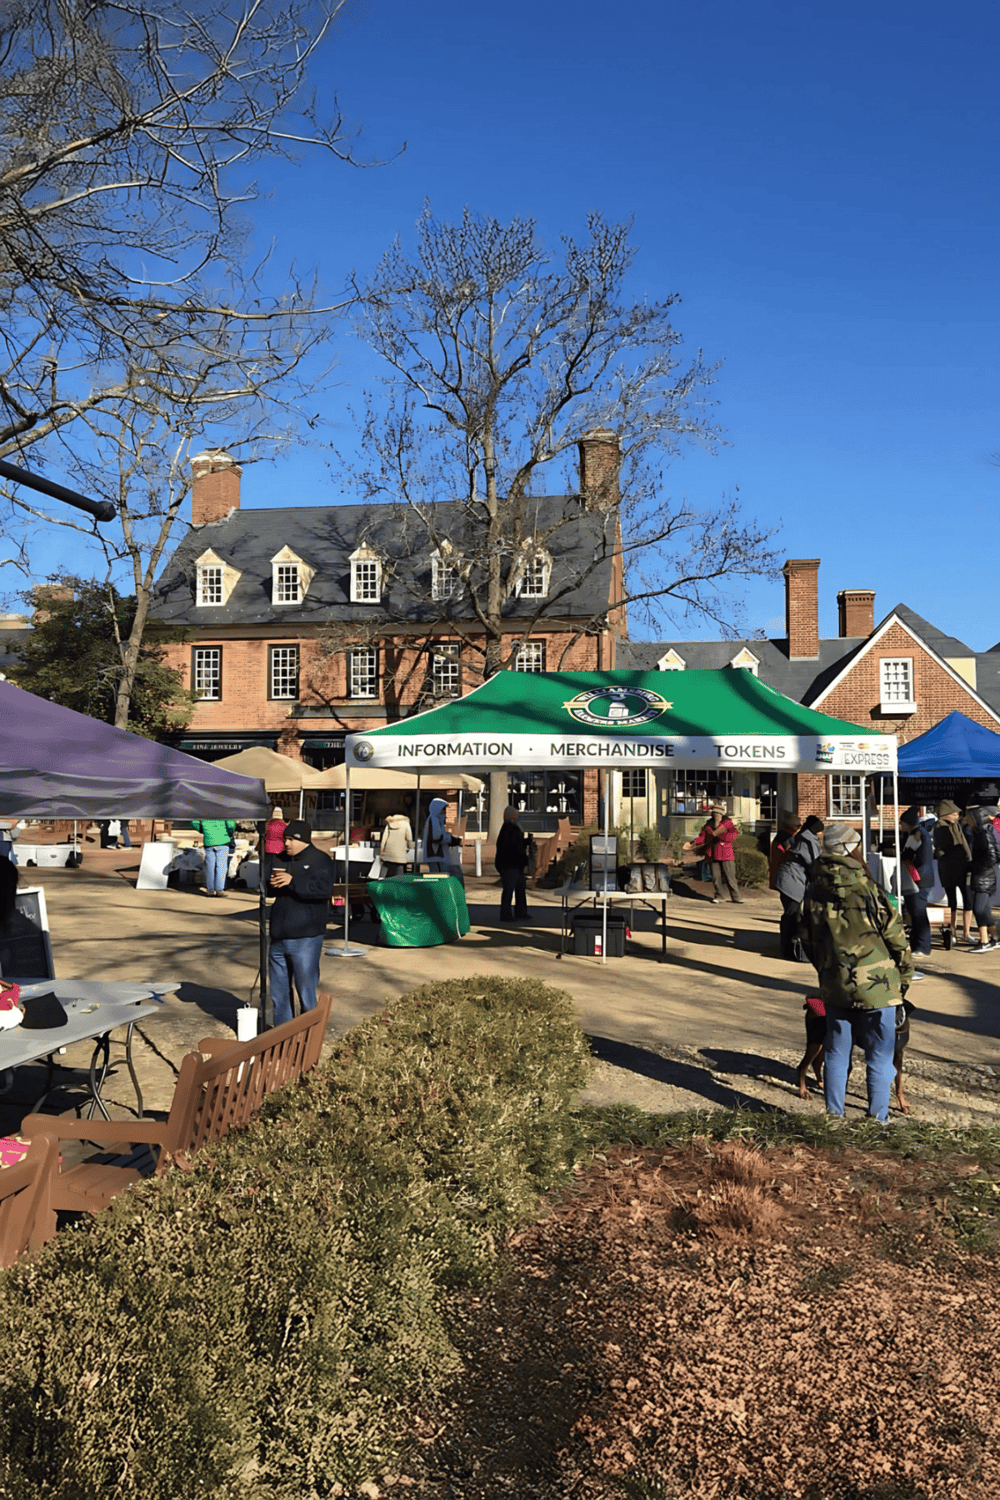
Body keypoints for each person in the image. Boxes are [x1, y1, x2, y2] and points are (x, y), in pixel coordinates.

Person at [800, 820, 913, 1122]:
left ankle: (833, 1118)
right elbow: (896, 937)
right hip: (878, 987)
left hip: (835, 984)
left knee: (836, 1051)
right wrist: (904, 977)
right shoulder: (870, 889)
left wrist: (827, 970)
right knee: (880, 1054)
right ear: (851, 848)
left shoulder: (812, 892)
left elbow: (808, 942)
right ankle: (878, 1120)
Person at [267, 819, 336, 1027]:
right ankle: (282, 1036)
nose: (286, 844)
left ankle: (309, 1036)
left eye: (290, 839)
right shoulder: (280, 859)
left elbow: (324, 890)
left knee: (306, 992)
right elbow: (271, 891)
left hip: (305, 937)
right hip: (279, 935)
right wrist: (269, 882)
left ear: (302, 840)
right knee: (279, 994)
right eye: (284, 839)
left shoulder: (320, 860)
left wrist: (293, 881)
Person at [775, 815, 824, 960]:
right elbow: (814, 863)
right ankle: (788, 949)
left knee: (791, 913)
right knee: (791, 914)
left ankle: (787, 947)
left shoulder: (804, 837)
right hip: (791, 880)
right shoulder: (808, 840)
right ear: (817, 830)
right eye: (821, 831)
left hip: (790, 878)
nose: (823, 834)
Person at [683, 804, 742, 904]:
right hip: (712, 854)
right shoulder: (708, 825)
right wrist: (691, 844)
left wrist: (721, 836)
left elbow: (732, 835)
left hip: (726, 854)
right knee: (715, 877)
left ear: (722, 814)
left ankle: (736, 897)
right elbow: (702, 838)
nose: (716, 815)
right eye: (714, 813)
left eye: (718, 813)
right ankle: (719, 896)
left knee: (730, 877)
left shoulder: (728, 823)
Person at [933, 799, 972, 949]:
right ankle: (952, 932)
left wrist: (969, 860)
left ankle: (966, 933)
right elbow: (942, 848)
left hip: (963, 867)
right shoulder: (939, 826)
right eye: (954, 813)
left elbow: (964, 844)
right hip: (949, 868)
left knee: (968, 900)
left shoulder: (956, 825)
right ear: (946, 814)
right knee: (952, 902)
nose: (957, 815)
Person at [898, 806, 933, 968]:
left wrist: (914, 878)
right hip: (917, 878)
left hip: (918, 879)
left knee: (918, 912)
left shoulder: (917, 834)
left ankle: (922, 946)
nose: (900, 825)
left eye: (902, 822)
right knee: (914, 912)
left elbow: (909, 858)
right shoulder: (913, 834)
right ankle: (916, 944)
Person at [962, 802, 999, 952]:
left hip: (984, 876)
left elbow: (993, 856)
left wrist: (978, 866)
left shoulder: (983, 833)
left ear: (977, 818)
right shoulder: (978, 833)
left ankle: (984, 941)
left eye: (970, 818)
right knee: (984, 909)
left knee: (978, 909)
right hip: (982, 875)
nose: (967, 820)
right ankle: (994, 938)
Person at [495, 805, 530, 922]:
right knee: (510, 889)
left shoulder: (507, 828)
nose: (518, 816)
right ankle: (507, 914)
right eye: (516, 814)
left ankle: (520, 912)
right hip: (510, 863)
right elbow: (515, 846)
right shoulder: (511, 829)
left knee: (519, 887)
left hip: (512, 863)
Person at [191, 816, 236, 897]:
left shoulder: (203, 811)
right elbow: (230, 824)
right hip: (223, 840)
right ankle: (219, 890)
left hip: (208, 842)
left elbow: (194, 822)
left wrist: (202, 830)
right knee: (221, 867)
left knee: (209, 867)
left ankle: (210, 890)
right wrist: (230, 832)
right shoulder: (223, 811)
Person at [422, 797, 460, 873]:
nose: (444, 812)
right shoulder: (434, 819)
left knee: (436, 876)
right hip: (436, 854)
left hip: (433, 854)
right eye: (443, 809)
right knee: (440, 877)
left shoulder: (432, 818)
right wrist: (451, 839)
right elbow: (437, 837)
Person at [768, 813, 801, 891]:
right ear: (790, 826)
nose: (798, 828)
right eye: (797, 826)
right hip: (783, 874)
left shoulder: (787, 836)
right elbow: (786, 852)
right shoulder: (783, 838)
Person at [380, 810, 413, 877]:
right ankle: (398, 885)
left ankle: (383, 883)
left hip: (388, 851)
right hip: (400, 852)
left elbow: (384, 839)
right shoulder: (406, 824)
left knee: (386, 870)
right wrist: (410, 847)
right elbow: (409, 838)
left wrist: (382, 850)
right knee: (399, 872)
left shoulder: (389, 824)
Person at [262, 806, 287, 881]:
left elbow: (264, 836)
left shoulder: (267, 824)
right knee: (278, 871)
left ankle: (266, 886)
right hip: (280, 850)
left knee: (267, 870)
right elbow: (285, 838)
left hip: (268, 849)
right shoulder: (284, 826)